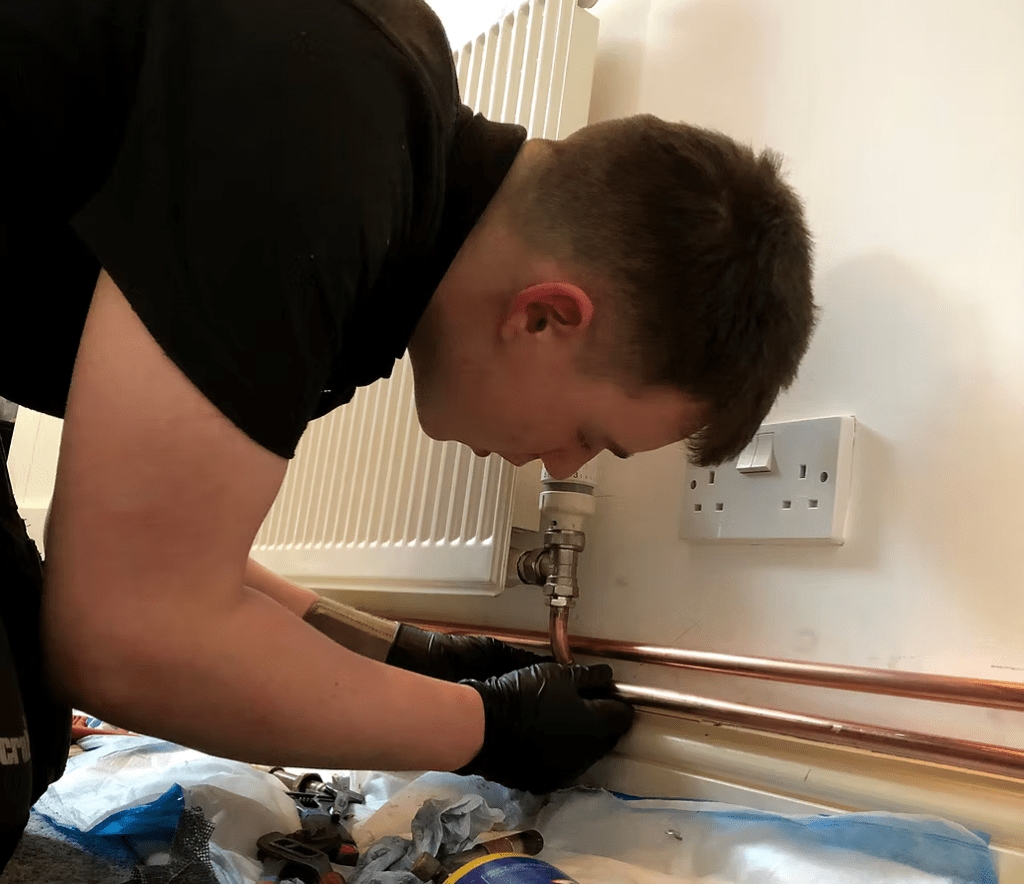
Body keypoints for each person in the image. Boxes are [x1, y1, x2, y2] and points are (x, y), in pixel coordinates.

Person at [0, 0, 816, 868]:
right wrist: (486, 729)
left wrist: (409, 653)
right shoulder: (319, 153)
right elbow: (129, 639)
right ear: (545, 317)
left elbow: (155, 548)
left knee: (29, 724)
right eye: (591, 434)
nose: (565, 463)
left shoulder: (385, 162)